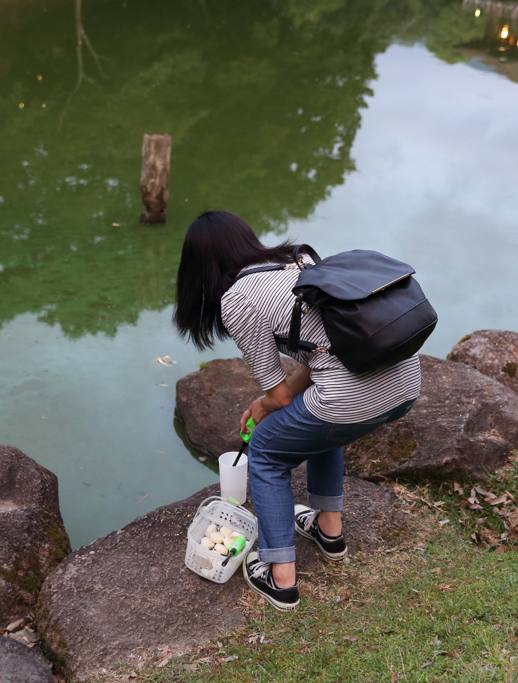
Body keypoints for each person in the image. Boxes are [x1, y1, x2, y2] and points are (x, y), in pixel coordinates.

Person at [174, 211, 421, 610]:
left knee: (268, 451)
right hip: (406, 384)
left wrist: (261, 405)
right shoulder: (300, 260)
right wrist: (274, 401)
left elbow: (278, 394)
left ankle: (280, 578)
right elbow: (323, 353)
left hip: (352, 396)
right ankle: (329, 531)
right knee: (323, 426)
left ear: (199, 266)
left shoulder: (237, 298)